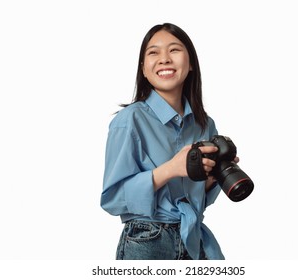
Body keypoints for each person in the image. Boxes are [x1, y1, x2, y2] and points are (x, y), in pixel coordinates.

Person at [101, 23, 237, 260]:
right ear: (143, 69)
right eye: (153, 52)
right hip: (148, 240)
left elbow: (196, 200)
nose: (164, 59)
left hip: (194, 238)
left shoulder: (205, 124)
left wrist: (213, 178)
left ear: (191, 63)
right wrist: (171, 169)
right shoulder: (129, 120)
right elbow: (112, 199)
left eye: (174, 50)